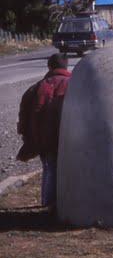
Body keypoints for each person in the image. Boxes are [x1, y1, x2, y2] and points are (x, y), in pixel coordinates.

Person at [18, 53, 72, 209]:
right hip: (68, 136)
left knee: (49, 168)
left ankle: (48, 204)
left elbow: (24, 114)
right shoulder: (74, 84)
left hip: (42, 138)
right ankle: (62, 202)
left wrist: (27, 137)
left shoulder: (37, 87)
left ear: (50, 67)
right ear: (66, 67)